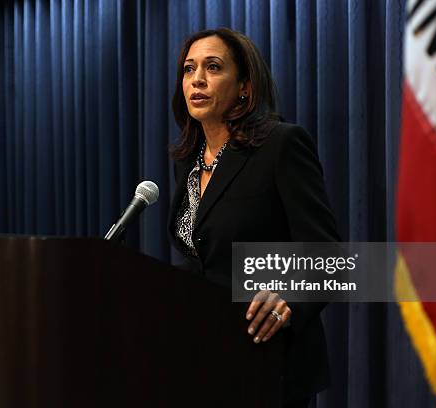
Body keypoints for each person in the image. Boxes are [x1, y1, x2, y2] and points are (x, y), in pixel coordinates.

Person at [167, 28, 340, 407]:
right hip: (204, 359)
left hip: (268, 359)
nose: (196, 79)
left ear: (244, 86)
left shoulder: (280, 145)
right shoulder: (188, 165)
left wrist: (288, 296)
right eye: (188, 69)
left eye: (213, 67)